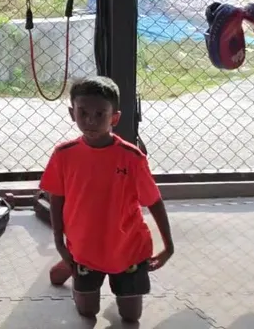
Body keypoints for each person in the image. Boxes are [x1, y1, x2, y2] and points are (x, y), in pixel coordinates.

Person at [40, 76, 175, 323]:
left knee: (131, 317)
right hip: (84, 248)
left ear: (115, 118)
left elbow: (154, 201)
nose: (91, 121)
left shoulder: (132, 158)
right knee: (87, 312)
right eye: (83, 113)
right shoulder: (63, 154)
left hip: (128, 250)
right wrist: (59, 242)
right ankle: (69, 266)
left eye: (100, 114)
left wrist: (169, 247)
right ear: (72, 113)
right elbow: (56, 198)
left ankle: (73, 269)